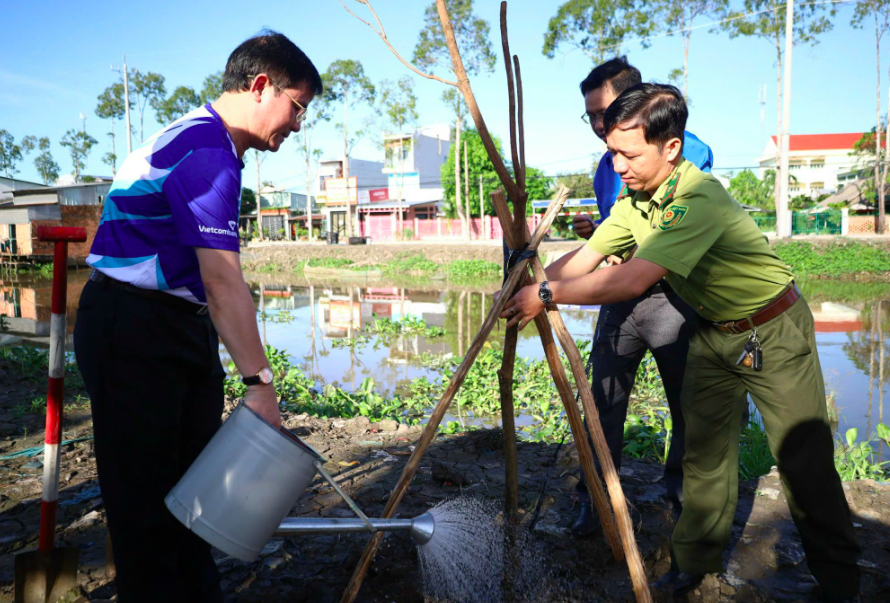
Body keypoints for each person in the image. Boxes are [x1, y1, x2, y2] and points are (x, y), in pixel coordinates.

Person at [501, 84, 861, 601]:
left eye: (628, 154)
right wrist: (523, 288)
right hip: (714, 333)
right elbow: (584, 257)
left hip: (771, 331)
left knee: (802, 460)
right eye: (612, 153)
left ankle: (839, 581)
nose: (618, 165)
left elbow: (629, 281)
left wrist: (546, 294)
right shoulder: (635, 200)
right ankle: (694, 562)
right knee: (703, 457)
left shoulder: (698, 198)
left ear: (671, 148)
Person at [74, 31, 322, 602]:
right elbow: (221, 279)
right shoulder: (206, 151)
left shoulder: (210, 144)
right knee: (145, 503)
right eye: (298, 107)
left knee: (196, 487)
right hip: (133, 328)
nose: (298, 124)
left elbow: (210, 285)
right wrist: (260, 385)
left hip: (176, 325)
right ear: (262, 86)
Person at [568, 56, 714, 537]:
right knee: (601, 401)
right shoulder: (607, 164)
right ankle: (598, 499)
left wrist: (549, 293)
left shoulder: (685, 152)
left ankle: (682, 502)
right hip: (619, 294)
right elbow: (614, 228)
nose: (597, 126)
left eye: (604, 113)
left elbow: (665, 231)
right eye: (589, 116)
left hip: (672, 296)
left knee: (688, 407)